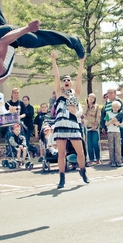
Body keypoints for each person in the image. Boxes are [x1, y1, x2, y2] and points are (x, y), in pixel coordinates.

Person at [50, 50, 88, 188]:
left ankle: (83, 171)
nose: (66, 81)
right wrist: (54, 60)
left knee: (80, 151)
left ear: (71, 83)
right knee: (61, 153)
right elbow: (56, 75)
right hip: (60, 125)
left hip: (73, 125)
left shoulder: (76, 94)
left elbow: (79, 77)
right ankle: (61, 177)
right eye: (64, 80)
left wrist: (81, 62)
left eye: (68, 80)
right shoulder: (59, 93)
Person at [101, 88, 123, 165]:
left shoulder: (119, 101)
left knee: (122, 143)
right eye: (108, 93)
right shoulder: (106, 103)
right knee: (112, 145)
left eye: (111, 92)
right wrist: (103, 126)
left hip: (119, 127)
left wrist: (115, 119)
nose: (109, 94)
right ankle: (113, 160)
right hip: (110, 127)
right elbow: (104, 115)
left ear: (115, 93)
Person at [84, 93, 102, 165]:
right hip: (87, 127)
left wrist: (95, 125)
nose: (91, 99)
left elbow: (98, 116)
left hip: (94, 127)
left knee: (95, 143)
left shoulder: (97, 107)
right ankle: (91, 159)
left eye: (93, 98)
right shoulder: (85, 106)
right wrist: (86, 105)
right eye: (90, 97)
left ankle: (98, 159)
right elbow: (83, 114)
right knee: (89, 144)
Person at [105, 101, 123, 167]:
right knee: (111, 147)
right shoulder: (108, 113)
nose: (115, 108)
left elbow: (122, 124)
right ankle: (112, 161)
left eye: (117, 107)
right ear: (112, 107)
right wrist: (111, 122)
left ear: (119, 108)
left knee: (118, 147)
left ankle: (118, 161)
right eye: (114, 107)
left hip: (117, 132)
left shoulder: (120, 114)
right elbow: (106, 123)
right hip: (110, 131)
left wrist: (117, 124)